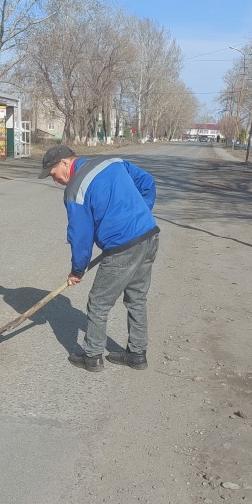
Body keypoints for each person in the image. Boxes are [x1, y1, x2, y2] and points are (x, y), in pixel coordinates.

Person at [39, 144, 159, 373]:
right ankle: (137, 354)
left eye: (54, 175)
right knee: (137, 299)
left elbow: (80, 236)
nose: (55, 181)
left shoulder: (75, 189)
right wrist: (141, 214)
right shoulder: (111, 161)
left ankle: (92, 356)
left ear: (65, 163)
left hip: (123, 247)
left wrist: (77, 270)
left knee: (99, 302)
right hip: (149, 236)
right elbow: (147, 182)